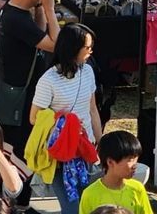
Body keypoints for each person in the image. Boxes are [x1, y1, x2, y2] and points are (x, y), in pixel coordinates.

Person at [0, 0, 60, 206]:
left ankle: (19, 204)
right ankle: (14, 205)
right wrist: (50, 9)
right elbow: (55, 45)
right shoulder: (16, 19)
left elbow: (39, 34)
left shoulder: (13, 11)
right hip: (21, 102)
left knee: (23, 153)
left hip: (19, 94)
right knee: (21, 154)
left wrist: (40, 11)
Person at [29, 24, 102, 214]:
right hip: (60, 154)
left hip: (84, 148)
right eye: (87, 47)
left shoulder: (88, 71)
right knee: (71, 208)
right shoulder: (49, 80)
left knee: (86, 204)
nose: (91, 51)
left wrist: (101, 141)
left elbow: (92, 108)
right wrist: (63, 123)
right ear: (73, 48)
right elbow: (34, 117)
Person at [79, 130, 151, 214]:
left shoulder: (137, 188)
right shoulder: (90, 194)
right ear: (110, 162)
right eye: (130, 160)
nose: (135, 165)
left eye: (136, 159)